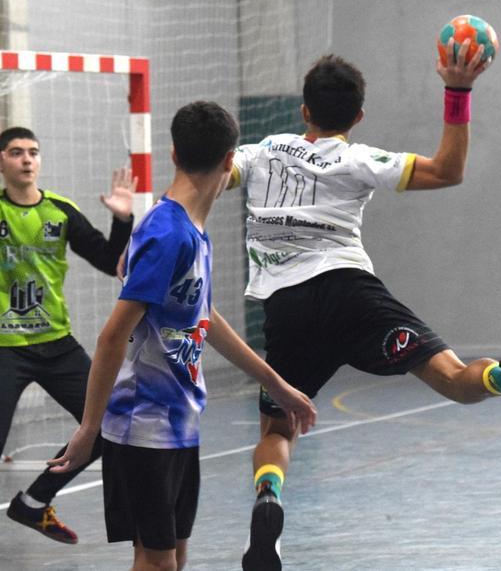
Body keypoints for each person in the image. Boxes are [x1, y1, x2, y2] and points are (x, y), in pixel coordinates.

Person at [228, 45, 501, 570]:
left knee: (278, 430)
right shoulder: (357, 158)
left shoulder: (261, 152)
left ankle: (268, 499)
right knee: (454, 380)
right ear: (357, 117)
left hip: (287, 308)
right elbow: (448, 170)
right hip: (353, 293)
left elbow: (215, 172)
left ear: (303, 110)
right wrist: (458, 91)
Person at [47, 101, 318, 571]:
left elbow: (203, 316)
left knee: (173, 554)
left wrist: (276, 384)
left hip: (179, 423)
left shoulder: (193, 232)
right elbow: (113, 336)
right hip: (141, 425)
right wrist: (90, 429)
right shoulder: (167, 233)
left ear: (173, 153)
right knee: (159, 561)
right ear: (231, 161)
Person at [0, 122, 136, 566]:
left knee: (107, 424)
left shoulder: (60, 212)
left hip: (56, 343)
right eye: (16, 152)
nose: (26, 159)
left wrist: (122, 219)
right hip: (8, 349)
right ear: (1, 161)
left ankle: (34, 501)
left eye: (33, 152)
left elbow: (110, 262)